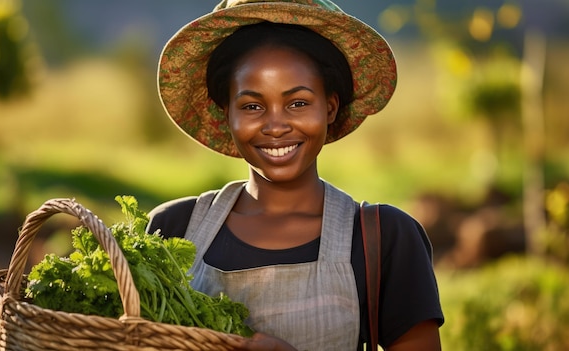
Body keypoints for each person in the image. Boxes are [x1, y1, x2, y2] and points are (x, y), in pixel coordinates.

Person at [147, 1, 444, 350]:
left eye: (298, 103)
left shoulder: (382, 238)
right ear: (226, 114)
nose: (275, 126)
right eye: (252, 106)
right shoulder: (173, 230)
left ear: (330, 107)